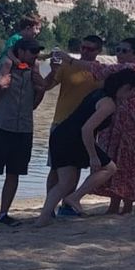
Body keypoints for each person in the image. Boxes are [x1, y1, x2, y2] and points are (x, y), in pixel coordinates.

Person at [34, 68, 135, 227]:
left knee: (65, 183)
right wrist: (93, 156)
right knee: (109, 168)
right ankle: (74, 198)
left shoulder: (99, 93)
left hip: (62, 135)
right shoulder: (108, 103)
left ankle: (42, 220)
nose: (132, 95)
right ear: (126, 87)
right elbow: (87, 129)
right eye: (133, 91)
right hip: (72, 138)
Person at [0, 37, 48, 226]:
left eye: (37, 52)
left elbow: (33, 106)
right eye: (32, 52)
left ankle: (3, 214)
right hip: (0, 127)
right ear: (21, 52)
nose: (36, 56)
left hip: (24, 130)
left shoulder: (33, 74)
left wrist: (40, 90)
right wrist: (0, 85)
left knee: (14, 173)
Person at [93, 38, 135, 215]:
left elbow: (103, 70)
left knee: (130, 163)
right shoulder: (123, 71)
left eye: (124, 51)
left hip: (132, 128)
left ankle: (127, 207)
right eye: (117, 50)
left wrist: (71, 60)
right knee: (115, 160)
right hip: (116, 125)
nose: (119, 54)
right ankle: (114, 205)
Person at [42, 34, 104, 191]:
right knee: (56, 167)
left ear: (98, 51)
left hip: (85, 127)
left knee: (76, 167)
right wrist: (52, 71)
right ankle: (50, 206)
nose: (85, 51)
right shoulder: (67, 66)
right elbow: (46, 86)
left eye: (90, 49)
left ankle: (67, 204)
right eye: (83, 47)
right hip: (61, 122)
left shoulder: (100, 71)